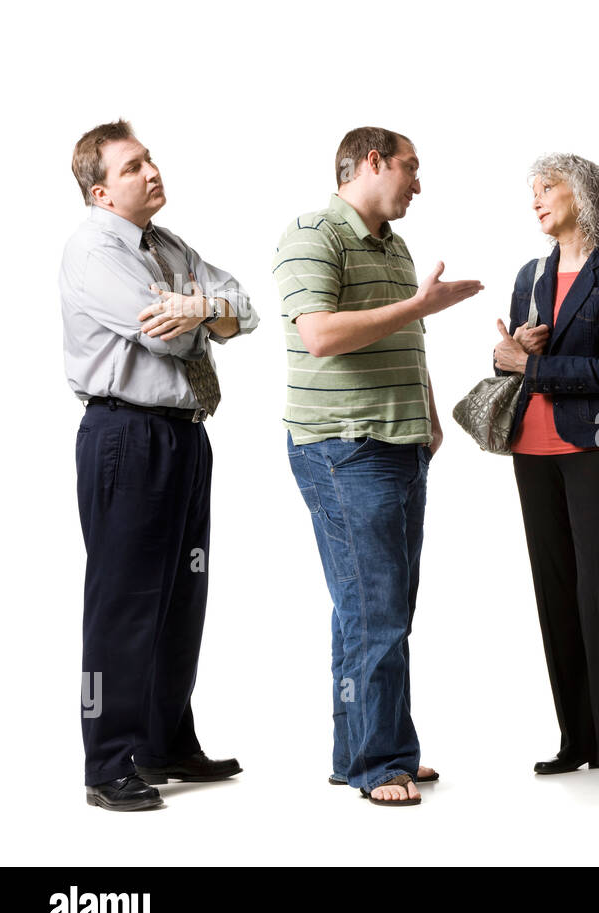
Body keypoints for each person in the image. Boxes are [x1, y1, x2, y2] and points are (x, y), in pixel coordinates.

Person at [273, 127, 483, 807]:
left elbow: (404, 335)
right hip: (344, 446)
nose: (417, 184)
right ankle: (379, 760)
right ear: (372, 163)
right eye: (409, 169)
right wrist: (419, 306)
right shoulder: (312, 233)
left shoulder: (394, 245)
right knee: (379, 610)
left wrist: (425, 413)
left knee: (367, 607)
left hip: (397, 444)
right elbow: (320, 336)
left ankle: (358, 747)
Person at [61, 119, 259, 811]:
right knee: (122, 603)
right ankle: (107, 762)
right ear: (101, 191)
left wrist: (200, 307)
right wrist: (207, 316)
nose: (151, 171)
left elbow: (247, 306)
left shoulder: (168, 245)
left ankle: (165, 742)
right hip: (127, 435)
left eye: (150, 159)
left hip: (185, 436)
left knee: (182, 596)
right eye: (133, 166)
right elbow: (167, 340)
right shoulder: (93, 252)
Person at [492, 154, 599, 787]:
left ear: (582, 193)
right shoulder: (531, 275)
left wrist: (531, 368)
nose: (535, 200)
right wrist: (513, 354)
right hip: (531, 448)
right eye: (530, 191)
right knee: (555, 594)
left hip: (597, 448)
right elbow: (511, 358)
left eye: (546, 188)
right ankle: (573, 739)